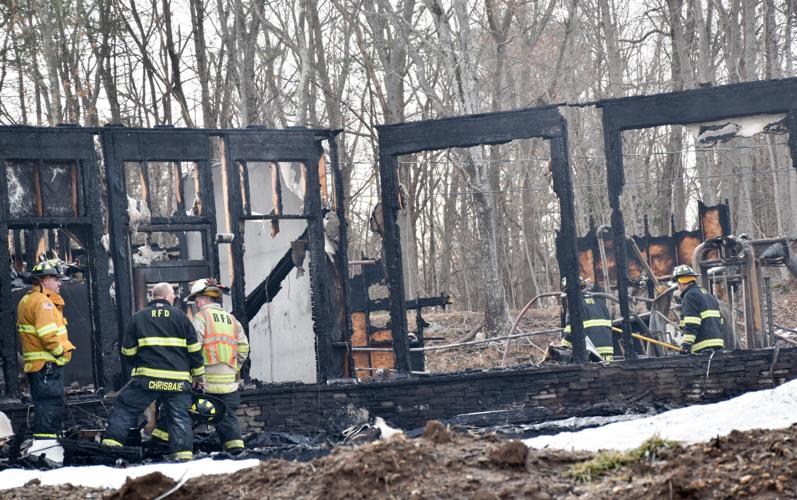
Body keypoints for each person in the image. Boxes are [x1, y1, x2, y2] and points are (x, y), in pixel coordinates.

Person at [102, 282, 204, 461]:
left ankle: (109, 450)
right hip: (178, 381)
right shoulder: (181, 317)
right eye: (173, 295)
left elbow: (127, 352)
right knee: (180, 418)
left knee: (125, 409)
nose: (174, 298)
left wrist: (138, 363)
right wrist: (198, 376)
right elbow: (194, 351)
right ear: (165, 296)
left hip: (146, 379)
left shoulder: (138, 317)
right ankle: (184, 458)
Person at [153, 278, 249, 454]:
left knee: (178, 410)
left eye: (196, 299)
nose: (195, 303)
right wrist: (233, 368)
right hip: (228, 383)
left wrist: (191, 373)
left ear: (204, 298)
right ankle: (237, 454)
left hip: (204, 382)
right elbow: (244, 347)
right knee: (227, 419)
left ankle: (160, 446)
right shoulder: (232, 320)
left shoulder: (201, 317)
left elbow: (194, 348)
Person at [16, 260, 75, 442]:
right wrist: (59, 353)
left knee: (44, 405)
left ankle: (45, 444)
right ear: (44, 281)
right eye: (56, 279)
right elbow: (48, 335)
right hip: (47, 365)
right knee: (50, 405)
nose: (59, 283)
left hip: (38, 367)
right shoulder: (43, 303)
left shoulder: (28, 299)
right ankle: (48, 447)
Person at [672, 265, 724, 354]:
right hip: (718, 346)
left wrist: (686, 345)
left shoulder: (689, 296)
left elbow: (692, 323)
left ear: (681, 283)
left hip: (702, 348)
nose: (679, 288)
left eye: (678, 285)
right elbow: (721, 322)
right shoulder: (709, 295)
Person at [560, 276, 614, 361]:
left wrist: (561, 347)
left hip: (591, 354)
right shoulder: (600, 302)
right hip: (608, 353)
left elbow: (570, 331)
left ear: (569, 293)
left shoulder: (574, 305)